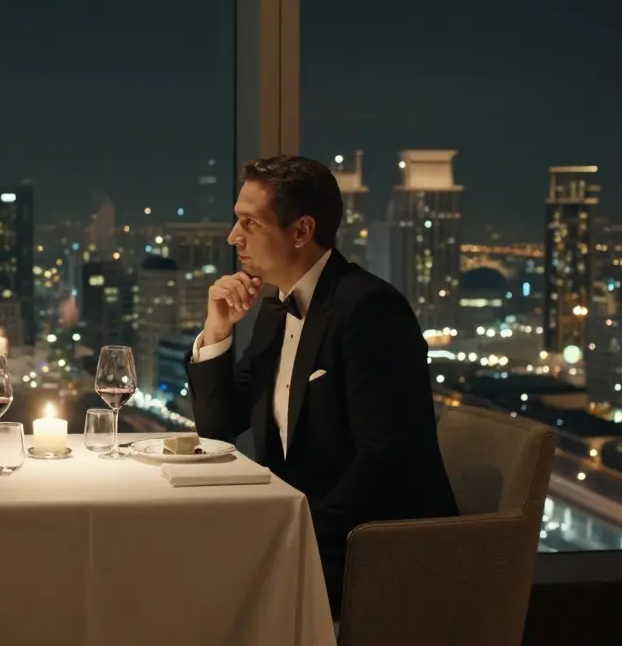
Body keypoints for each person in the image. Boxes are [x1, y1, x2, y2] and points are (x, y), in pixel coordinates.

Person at [185, 155, 459, 618]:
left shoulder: (370, 311)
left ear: (300, 231)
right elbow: (218, 425)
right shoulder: (277, 306)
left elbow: (386, 460)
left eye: (249, 222)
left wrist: (296, 533)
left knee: (200, 586)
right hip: (310, 535)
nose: (235, 237)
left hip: (375, 552)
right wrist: (217, 329)